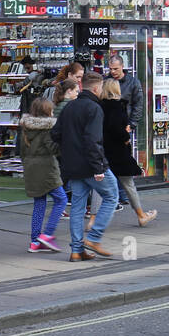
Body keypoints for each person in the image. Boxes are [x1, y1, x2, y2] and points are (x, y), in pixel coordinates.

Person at [54, 72, 120, 260]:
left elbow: (55, 134)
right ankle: (94, 238)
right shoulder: (94, 108)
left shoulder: (69, 107)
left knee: (77, 206)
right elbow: (93, 140)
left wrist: (69, 151)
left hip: (72, 165)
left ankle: (77, 250)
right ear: (96, 88)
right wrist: (98, 167)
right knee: (112, 196)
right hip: (91, 165)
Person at [101, 78, 157, 228]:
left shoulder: (100, 106)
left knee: (98, 185)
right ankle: (141, 215)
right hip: (118, 151)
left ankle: (93, 219)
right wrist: (126, 137)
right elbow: (117, 129)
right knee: (128, 184)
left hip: (103, 150)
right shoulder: (116, 107)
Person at [19, 98, 67, 253]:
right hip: (47, 168)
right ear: (48, 112)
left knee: (39, 203)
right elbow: (53, 149)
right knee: (61, 199)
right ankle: (47, 234)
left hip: (30, 168)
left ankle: (35, 241)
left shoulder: (25, 128)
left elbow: (20, 151)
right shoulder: (48, 128)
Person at [107, 54, 145, 130]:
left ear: (122, 66)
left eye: (115, 69)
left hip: (125, 124)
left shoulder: (133, 82)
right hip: (108, 124)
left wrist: (132, 124)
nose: (113, 71)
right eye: (110, 69)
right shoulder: (106, 81)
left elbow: (138, 104)